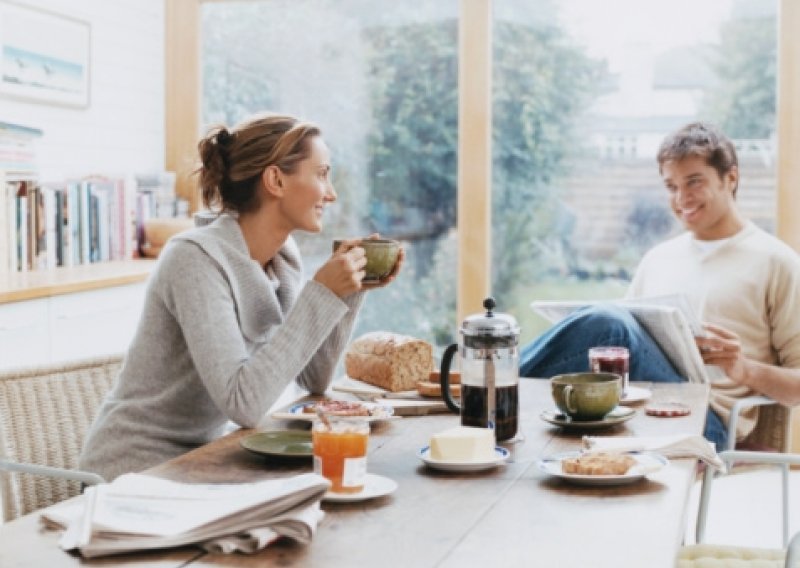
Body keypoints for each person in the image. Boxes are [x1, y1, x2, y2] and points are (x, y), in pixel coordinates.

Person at [80, 113, 403, 481]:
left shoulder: (282, 257)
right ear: (276, 180)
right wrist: (323, 292)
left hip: (206, 459)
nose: (331, 193)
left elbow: (314, 379)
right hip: (136, 469)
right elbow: (244, 404)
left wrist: (346, 293)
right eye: (321, 173)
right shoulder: (194, 258)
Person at [519, 122, 800, 449]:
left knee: (610, 326)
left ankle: (483, 388)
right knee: (609, 330)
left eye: (694, 182)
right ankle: (491, 393)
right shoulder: (659, 258)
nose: (681, 198)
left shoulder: (775, 261)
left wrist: (742, 369)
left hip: (706, 422)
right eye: (671, 186)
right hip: (635, 407)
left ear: (731, 179)